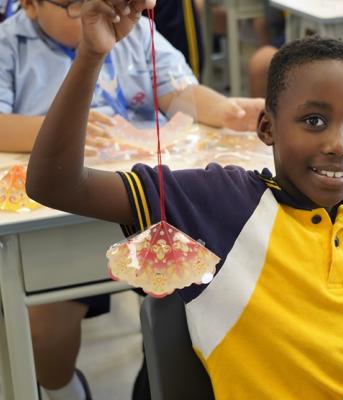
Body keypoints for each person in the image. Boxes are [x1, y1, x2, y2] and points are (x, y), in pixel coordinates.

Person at [26, 0, 343, 398]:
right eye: (314, 120)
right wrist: (91, 55)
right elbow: (55, 185)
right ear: (267, 128)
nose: (338, 143)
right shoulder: (219, 202)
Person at [0, 1, 263, 399]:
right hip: (56, 211)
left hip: (139, 193)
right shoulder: (10, 45)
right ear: (31, 6)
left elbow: (179, 92)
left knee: (199, 289)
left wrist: (227, 111)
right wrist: (61, 127)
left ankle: (158, 381)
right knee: (44, 331)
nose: (94, 12)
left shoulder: (133, 31)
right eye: (75, 7)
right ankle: (64, 388)